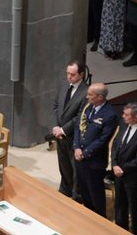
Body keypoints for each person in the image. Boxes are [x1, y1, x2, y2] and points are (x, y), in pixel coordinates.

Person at [72, 83, 118, 217]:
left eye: (90, 95)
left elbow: (103, 140)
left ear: (100, 97)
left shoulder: (109, 115)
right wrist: (76, 147)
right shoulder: (88, 107)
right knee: (84, 190)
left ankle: (98, 219)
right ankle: (88, 216)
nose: (87, 97)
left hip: (94, 161)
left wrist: (85, 153)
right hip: (80, 156)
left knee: (95, 192)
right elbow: (78, 127)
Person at [112, 103, 137, 234]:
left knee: (134, 208)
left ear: (135, 117)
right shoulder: (124, 124)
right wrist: (114, 164)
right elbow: (115, 145)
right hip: (118, 172)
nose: (122, 116)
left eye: (126, 114)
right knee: (119, 204)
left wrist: (121, 168)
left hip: (132, 177)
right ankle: (120, 229)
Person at [52, 60, 89, 200]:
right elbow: (56, 106)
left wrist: (63, 129)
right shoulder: (63, 85)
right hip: (60, 135)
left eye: (72, 74)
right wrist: (56, 126)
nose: (69, 77)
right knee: (64, 166)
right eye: (68, 73)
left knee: (75, 170)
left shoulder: (86, 92)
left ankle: (76, 196)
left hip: (74, 136)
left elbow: (80, 117)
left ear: (81, 74)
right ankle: (64, 191)